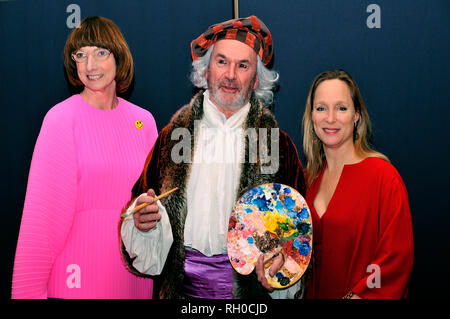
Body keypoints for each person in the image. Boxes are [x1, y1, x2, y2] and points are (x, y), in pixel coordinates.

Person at [119, 16, 306, 299]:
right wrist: (141, 218)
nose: (230, 74)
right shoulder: (173, 138)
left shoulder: (277, 146)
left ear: (256, 79)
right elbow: (140, 206)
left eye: (243, 65)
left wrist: (284, 260)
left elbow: (299, 231)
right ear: (205, 71)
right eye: (221, 62)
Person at [11, 16, 158, 298]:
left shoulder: (144, 122)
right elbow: (40, 223)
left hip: (134, 282)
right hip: (75, 283)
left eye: (101, 53)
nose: (90, 65)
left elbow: (155, 208)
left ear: (119, 58)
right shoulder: (61, 119)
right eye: (81, 55)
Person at [301, 69, 414, 298]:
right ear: (312, 116)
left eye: (341, 108)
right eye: (321, 108)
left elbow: (397, 259)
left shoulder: (383, 177)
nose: (330, 118)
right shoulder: (305, 180)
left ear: (356, 116)